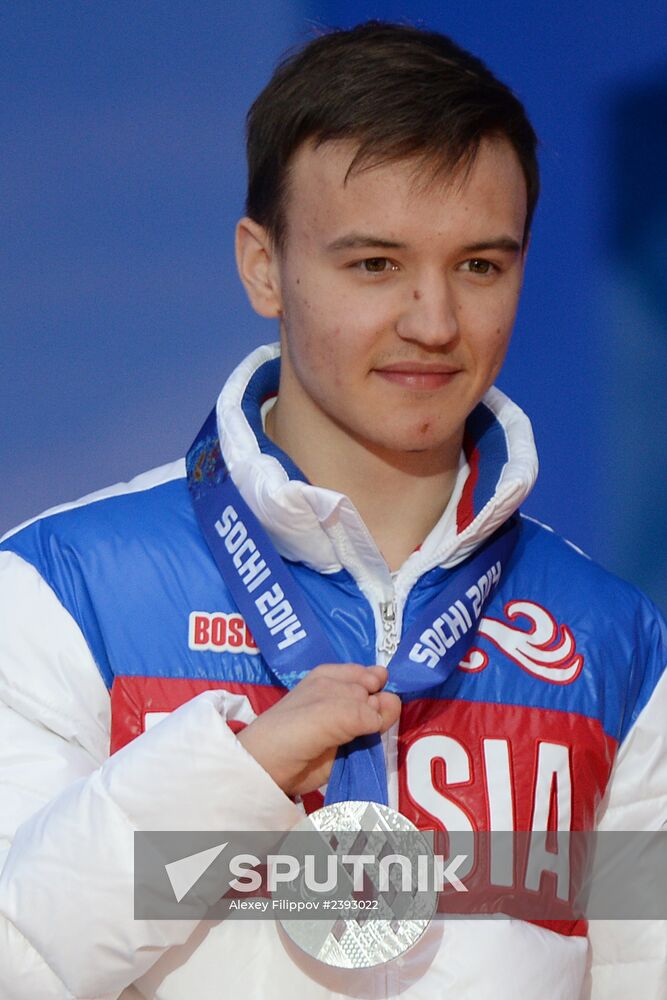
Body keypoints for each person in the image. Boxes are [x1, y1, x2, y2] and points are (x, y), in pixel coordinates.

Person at [0, 20, 665, 1000]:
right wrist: (235, 776)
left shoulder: (613, 640)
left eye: (479, 265)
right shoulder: (67, 589)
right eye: (374, 265)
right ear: (262, 266)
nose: (433, 322)